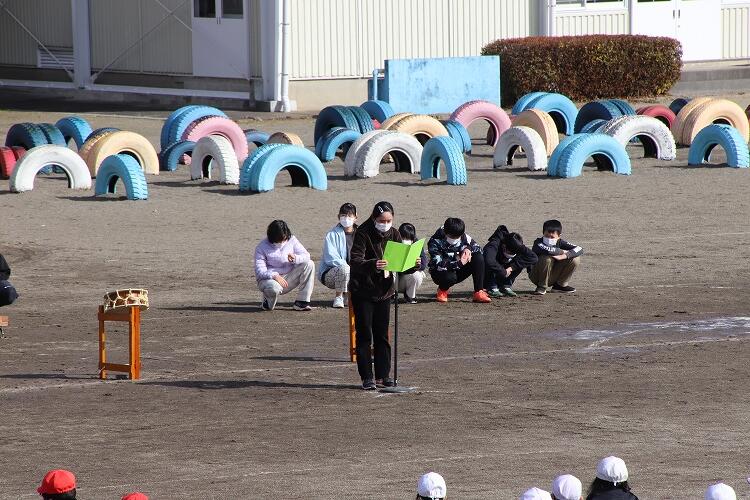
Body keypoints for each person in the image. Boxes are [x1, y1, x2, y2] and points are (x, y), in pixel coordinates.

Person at [350, 201, 419, 390]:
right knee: (365, 335)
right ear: (374, 218)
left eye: (389, 220)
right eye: (382, 220)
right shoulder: (363, 232)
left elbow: (401, 264)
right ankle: (367, 377)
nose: (385, 224)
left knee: (382, 335)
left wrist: (413, 264)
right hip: (363, 291)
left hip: (385, 291)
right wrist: (373, 264)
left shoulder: (395, 234)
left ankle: (383, 375)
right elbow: (355, 261)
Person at [254, 220, 315, 311]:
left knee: (309, 264)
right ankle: (267, 302)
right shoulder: (261, 247)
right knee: (273, 289)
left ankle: (301, 302)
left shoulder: (292, 240)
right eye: (279, 240)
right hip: (269, 280)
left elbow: (306, 256)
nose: (282, 242)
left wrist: (295, 258)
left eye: (284, 238)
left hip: (288, 278)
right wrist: (274, 276)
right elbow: (260, 271)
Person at [427, 217, 491, 303]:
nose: (455, 239)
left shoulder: (463, 236)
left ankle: (479, 291)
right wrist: (459, 263)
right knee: (450, 277)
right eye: (452, 237)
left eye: (458, 237)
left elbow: (478, 248)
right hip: (441, 273)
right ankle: (442, 290)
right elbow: (438, 264)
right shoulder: (434, 242)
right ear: (445, 232)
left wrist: (468, 249)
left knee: (478, 257)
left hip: (458, 268)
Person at [319, 202, 358, 308]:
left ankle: (350, 296)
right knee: (345, 268)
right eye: (343, 215)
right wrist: (349, 267)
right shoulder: (331, 234)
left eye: (349, 216)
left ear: (355, 218)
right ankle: (339, 296)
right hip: (331, 274)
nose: (346, 218)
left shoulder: (360, 234)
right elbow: (330, 258)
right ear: (338, 217)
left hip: (355, 272)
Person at [529, 219, 583, 295]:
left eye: (552, 237)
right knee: (546, 258)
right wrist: (562, 251)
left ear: (559, 236)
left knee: (575, 259)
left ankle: (560, 286)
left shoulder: (560, 242)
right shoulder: (538, 242)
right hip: (536, 276)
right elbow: (547, 250)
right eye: (547, 236)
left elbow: (579, 249)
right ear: (543, 233)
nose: (549, 239)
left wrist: (564, 256)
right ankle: (541, 287)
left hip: (553, 275)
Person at [484, 225, 538, 297]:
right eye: (510, 252)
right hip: (489, 276)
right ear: (504, 246)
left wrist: (511, 268)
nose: (512, 254)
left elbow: (534, 258)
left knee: (522, 260)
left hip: (505, 273)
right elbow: (489, 261)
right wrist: (503, 271)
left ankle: (505, 286)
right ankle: (491, 287)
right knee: (487, 261)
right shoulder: (494, 244)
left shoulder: (518, 245)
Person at [397, 222, 428, 304]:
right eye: (403, 237)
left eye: (408, 238)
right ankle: (391, 295)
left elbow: (423, 265)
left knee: (417, 275)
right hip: (394, 280)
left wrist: (417, 265)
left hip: (407, 279)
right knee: (391, 272)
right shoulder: (393, 243)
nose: (405, 240)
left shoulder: (416, 245)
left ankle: (410, 295)